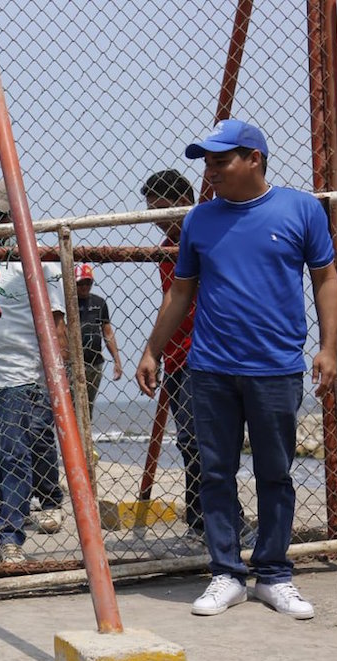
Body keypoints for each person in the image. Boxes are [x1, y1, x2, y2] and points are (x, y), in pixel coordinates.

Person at [134, 119, 337, 620]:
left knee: (276, 473)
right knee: (215, 472)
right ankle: (226, 573)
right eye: (207, 161)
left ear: (254, 158)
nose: (211, 170)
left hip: (276, 368)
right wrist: (151, 350)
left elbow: (326, 279)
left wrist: (329, 348)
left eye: (220, 160)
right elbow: (180, 290)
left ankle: (274, 575)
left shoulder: (301, 209)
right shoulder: (199, 220)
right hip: (210, 369)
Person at [0, 179, 68, 563]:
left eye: (0, 216)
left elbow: (58, 323)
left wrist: (55, 372)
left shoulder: (39, 263)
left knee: (15, 453)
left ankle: (11, 533)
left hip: (19, 374)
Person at [141, 169, 203, 540]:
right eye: (152, 211)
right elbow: (171, 299)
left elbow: (172, 299)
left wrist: (152, 350)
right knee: (191, 443)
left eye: (164, 208)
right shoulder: (170, 245)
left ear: (184, 201)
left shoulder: (205, 232)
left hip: (206, 350)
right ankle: (201, 520)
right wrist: (157, 349)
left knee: (202, 441)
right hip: (180, 354)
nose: (158, 218)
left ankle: (208, 519)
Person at [74, 263, 123, 422]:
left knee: (88, 407)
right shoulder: (68, 302)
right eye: (81, 283)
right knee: (73, 406)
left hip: (95, 364)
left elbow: (107, 332)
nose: (85, 287)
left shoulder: (99, 303)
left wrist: (117, 359)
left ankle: (85, 445)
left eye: (88, 283)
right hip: (73, 364)